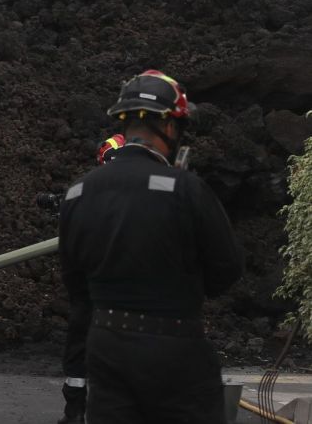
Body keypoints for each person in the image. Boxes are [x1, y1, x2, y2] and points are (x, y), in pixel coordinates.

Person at [59, 70, 243, 423]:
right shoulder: (185, 189)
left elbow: (74, 281)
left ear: (124, 124)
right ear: (170, 128)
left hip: (106, 345)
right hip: (173, 346)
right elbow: (227, 270)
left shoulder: (77, 193)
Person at [56, 133, 124, 424]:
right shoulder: (151, 193)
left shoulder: (83, 194)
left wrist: (77, 292)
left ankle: (74, 413)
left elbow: (69, 252)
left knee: (80, 350)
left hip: (87, 291)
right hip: (126, 297)